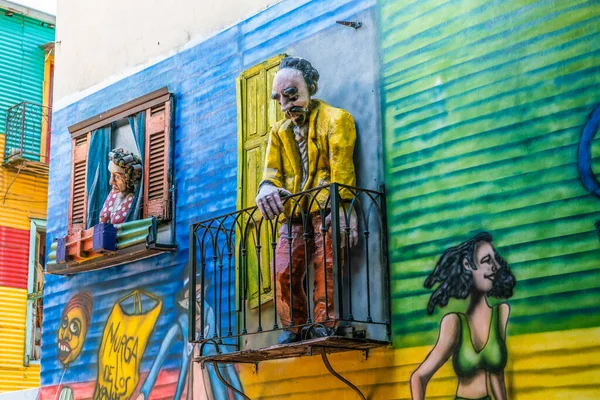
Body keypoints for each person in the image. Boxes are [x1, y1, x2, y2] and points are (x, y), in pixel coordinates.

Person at [255, 57, 358, 344]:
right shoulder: (278, 133)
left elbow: (343, 170)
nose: (287, 106)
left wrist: (344, 208)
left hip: (325, 205)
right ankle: (294, 325)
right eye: (281, 101)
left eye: (293, 96)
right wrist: (265, 188)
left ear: (310, 88)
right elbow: (271, 173)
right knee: (283, 269)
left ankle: (326, 322)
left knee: (326, 265)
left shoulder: (336, 120)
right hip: (293, 211)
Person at [410, 232, 516, 400]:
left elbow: (497, 376)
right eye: (487, 260)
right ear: (468, 264)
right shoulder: (454, 323)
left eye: (494, 259)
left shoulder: (501, 313)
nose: (495, 266)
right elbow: (418, 377)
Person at [99, 148, 142, 224]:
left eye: (117, 176)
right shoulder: (114, 195)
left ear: (130, 179)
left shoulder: (133, 198)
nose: (111, 182)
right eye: (111, 175)